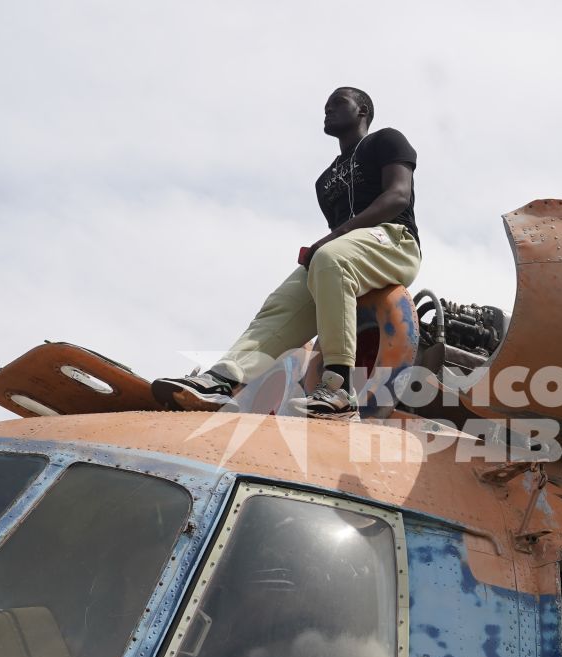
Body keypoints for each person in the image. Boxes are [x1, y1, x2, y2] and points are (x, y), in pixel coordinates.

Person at [154, 86, 422, 418]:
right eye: (324, 106)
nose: (327, 110)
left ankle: (338, 389)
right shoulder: (324, 182)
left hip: (394, 241)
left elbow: (397, 196)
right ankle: (222, 379)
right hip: (347, 253)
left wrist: (335, 237)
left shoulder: (386, 140)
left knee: (329, 257)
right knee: (280, 303)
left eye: (338, 103)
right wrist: (333, 243)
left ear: (363, 110)